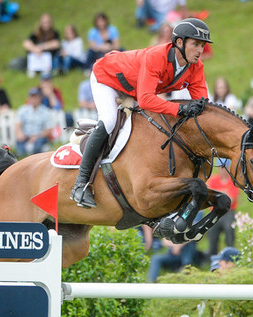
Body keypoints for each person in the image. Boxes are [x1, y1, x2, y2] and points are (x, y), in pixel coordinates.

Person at [70, 17, 212, 209]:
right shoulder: (157, 57)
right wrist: (180, 109)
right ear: (179, 42)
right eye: (195, 44)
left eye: (202, 45)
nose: (200, 51)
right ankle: (80, 184)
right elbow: (146, 99)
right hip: (107, 78)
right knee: (110, 121)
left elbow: (203, 104)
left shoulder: (196, 67)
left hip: (133, 89)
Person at [205, 161, 240, 255]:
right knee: (212, 234)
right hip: (214, 212)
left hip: (228, 212)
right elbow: (209, 197)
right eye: (221, 167)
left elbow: (231, 199)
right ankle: (212, 258)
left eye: (225, 167)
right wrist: (224, 193)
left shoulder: (233, 181)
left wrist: (217, 193)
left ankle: (230, 257)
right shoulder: (213, 180)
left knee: (229, 232)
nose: (223, 170)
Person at [15, 87, 54, 156]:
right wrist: (19, 133)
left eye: (36, 97)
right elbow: (18, 124)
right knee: (20, 151)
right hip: (26, 136)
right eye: (32, 97)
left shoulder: (45, 111)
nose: (34, 99)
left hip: (39, 136)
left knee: (37, 147)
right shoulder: (23, 110)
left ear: (40, 98)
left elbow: (49, 129)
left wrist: (37, 136)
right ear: (29, 98)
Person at [23, 13, 61, 78]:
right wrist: (35, 49)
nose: (46, 24)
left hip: (49, 57)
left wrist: (41, 47)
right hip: (37, 56)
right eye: (44, 22)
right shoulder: (36, 33)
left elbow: (56, 43)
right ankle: (32, 70)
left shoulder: (55, 33)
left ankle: (47, 70)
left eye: (48, 22)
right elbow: (26, 43)